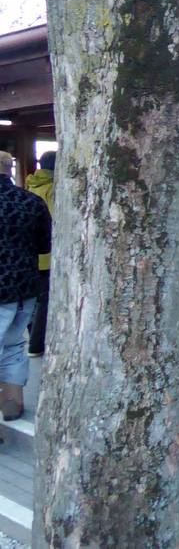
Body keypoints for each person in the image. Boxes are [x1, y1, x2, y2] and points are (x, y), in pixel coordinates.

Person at [0, 151, 51, 420]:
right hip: (24, 288)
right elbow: (44, 245)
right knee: (13, 346)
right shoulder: (31, 201)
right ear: (10, 170)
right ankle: (12, 404)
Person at [25, 150, 55, 357]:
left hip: (31, 253)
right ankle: (36, 344)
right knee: (45, 301)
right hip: (48, 254)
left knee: (33, 300)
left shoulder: (31, 186)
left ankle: (32, 336)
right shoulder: (53, 188)